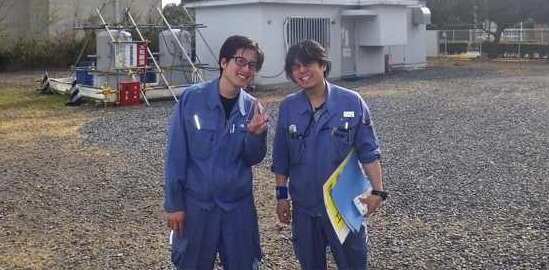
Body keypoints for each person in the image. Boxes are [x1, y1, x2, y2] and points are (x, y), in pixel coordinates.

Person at [271, 39, 386, 270]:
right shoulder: (288, 107)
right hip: (304, 209)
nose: (302, 70)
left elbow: (368, 152)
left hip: (343, 208)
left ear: (323, 65)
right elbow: (281, 158)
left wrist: (378, 192)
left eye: (308, 63)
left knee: (353, 264)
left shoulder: (352, 102)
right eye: (295, 67)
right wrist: (281, 196)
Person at [165, 35, 270, 270]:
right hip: (196, 206)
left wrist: (254, 133)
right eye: (240, 61)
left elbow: (252, 159)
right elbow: (175, 156)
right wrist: (174, 204)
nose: (246, 69)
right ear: (223, 62)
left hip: (238, 207)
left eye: (252, 65)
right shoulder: (192, 99)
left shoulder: (253, 110)